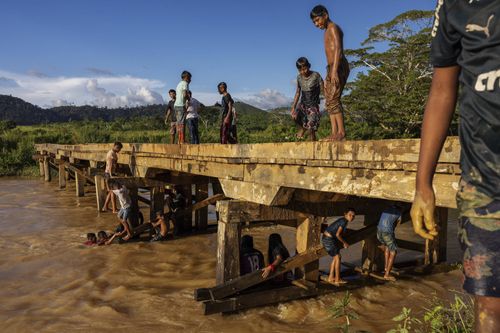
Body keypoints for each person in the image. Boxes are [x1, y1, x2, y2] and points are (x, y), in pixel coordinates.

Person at [410, 2, 500, 331]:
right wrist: (423, 186)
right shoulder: (453, 5)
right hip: (485, 181)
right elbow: (441, 89)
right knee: (490, 305)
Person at [310, 5, 350, 141]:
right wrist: (330, 70)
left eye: (317, 20)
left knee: (333, 98)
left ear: (325, 15)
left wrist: (334, 72)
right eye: (314, 22)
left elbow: (338, 49)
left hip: (338, 66)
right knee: (329, 100)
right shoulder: (326, 31)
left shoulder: (333, 28)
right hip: (331, 67)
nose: (316, 24)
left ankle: (341, 133)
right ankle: (334, 133)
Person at [290, 57, 324, 141]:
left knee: (311, 128)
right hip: (303, 104)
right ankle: (302, 128)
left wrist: (327, 101)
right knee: (295, 116)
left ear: (308, 66)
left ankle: (313, 143)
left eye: (305, 69)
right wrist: (293, 107)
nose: (303, 72)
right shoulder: (299, 77)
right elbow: (298, 92)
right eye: (300, 70)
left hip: (313, 105)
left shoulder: (316, 75)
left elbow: (323, 89)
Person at [321, 208, 355, 285]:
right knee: (338, 257)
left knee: (335, 258)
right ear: (345, 214)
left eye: (353, 216)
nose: (351, 217)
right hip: (328, 240)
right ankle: (337, 279)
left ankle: (331, 277)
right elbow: (338, 234)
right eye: (350, 215)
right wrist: (344, 243)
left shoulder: (343, 220)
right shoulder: (343, 221)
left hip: (328, 238)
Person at [377, 205, 402, 281]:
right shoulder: (399, 213)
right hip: (387, 232)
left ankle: (386, 267)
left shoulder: (386, 208)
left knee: (387, 247)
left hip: (378, 231)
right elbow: (398, 224)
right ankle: (387, 274)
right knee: (393, 252)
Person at [102, 142, 123, 213]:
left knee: (111, 191)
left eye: (119, 149)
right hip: (109, 174)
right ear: (114, 146)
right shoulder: (111, 154)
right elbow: (110, 165)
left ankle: (105, 207)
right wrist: (111, 175)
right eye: (118, 148)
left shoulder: (112, 153)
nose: (119, 150)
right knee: (113, 191)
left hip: (108, 173)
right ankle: (114, 209)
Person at [174, 71, 192, 144]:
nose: (190, 80)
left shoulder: (179, 84)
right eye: (190, 78)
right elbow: (185, 94)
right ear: (186, 78)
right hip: (181, 105)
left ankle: (180, 140)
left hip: (176, 105)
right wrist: (189, 98)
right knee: (182, 123)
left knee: (179, 123)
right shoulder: (185, 83)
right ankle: (182, 141)